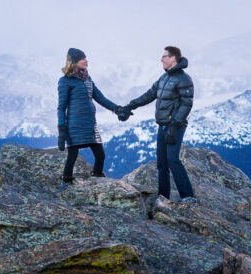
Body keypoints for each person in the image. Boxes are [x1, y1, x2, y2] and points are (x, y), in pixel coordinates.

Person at [123, 46, 196, 204]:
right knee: (162, 163)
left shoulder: (184, 79)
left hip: (175, 126)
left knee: (173, 159)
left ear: (173, 58)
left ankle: (188, 196)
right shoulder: (164, 78)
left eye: (164, 56)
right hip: (162, 125)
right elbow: (149, 95)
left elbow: (186, 104)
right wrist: (130, 106)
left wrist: (175, 126)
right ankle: (163, 197)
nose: (161, 59)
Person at [57, 47, 126, 183]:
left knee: (100, 154)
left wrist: (116, 109)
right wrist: (61, 128)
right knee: (72, 155)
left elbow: (100, 98)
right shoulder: (65, 81)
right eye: (83, 58)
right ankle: (66, 181)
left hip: (90, 124)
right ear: (74, 61)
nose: (86, 61)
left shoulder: (87, 79)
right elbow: (61, 106)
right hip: (74, 125)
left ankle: (97, 177)